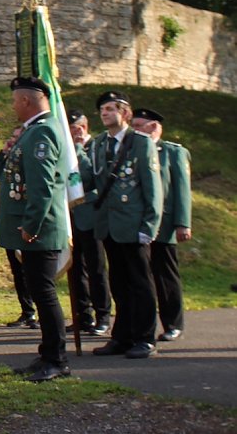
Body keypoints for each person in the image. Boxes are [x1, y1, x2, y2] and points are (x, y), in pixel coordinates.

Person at [0, 77, 69, 382]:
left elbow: (42, 186)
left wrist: (31, 225)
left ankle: (57, 360)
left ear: (26, 100)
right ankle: (47, 355)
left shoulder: (44, 133)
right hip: (33, 228)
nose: (13, 106)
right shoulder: (31, 132)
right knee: (39, 290)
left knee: (45, 293)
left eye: (14, 101)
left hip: (40, 229)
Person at [79, 90, 163, 359]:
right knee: (118, 282)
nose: (105, 113)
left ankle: (145, 338)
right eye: (102, 109)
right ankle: (122, 336)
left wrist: (149, 226)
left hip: (133, 225)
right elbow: (90, 180)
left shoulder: (140, 143)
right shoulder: (99, 144)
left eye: (111, 108)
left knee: (140, 283)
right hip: (108, 224)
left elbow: (152, 188)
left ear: (125, 113)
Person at [131, 107, 191, 342]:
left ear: (154, 127)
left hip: (164, 224)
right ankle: (141, 325)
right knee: (141, 276)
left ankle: (173, 323)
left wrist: (182, 222)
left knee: (165, 275)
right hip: (139, 223)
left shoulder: (172, 152)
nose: (134, 131)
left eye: (138, 126)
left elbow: (182, 189)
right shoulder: (133, 150)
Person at [66, 109, 112, 336]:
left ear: (86, 127)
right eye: (72, 129)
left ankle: (103, 315)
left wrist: (77, 149)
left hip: (91, 215)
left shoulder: (96, 148)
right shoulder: (64, 150)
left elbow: (89, 178)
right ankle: (82, 315)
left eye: (79, 128)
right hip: (70, 216)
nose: (76, 133)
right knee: (74, 270)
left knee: (96, 269)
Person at [0, 126, 39, 330]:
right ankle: (27, 312)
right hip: (11, 222)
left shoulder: (29, 160)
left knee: (32, 270)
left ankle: (38, 311)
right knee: (18, 271)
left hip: (26, 219)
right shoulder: (9, 160)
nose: (13, 141)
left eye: (17, 138)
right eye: (12, 137)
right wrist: (3, 152)